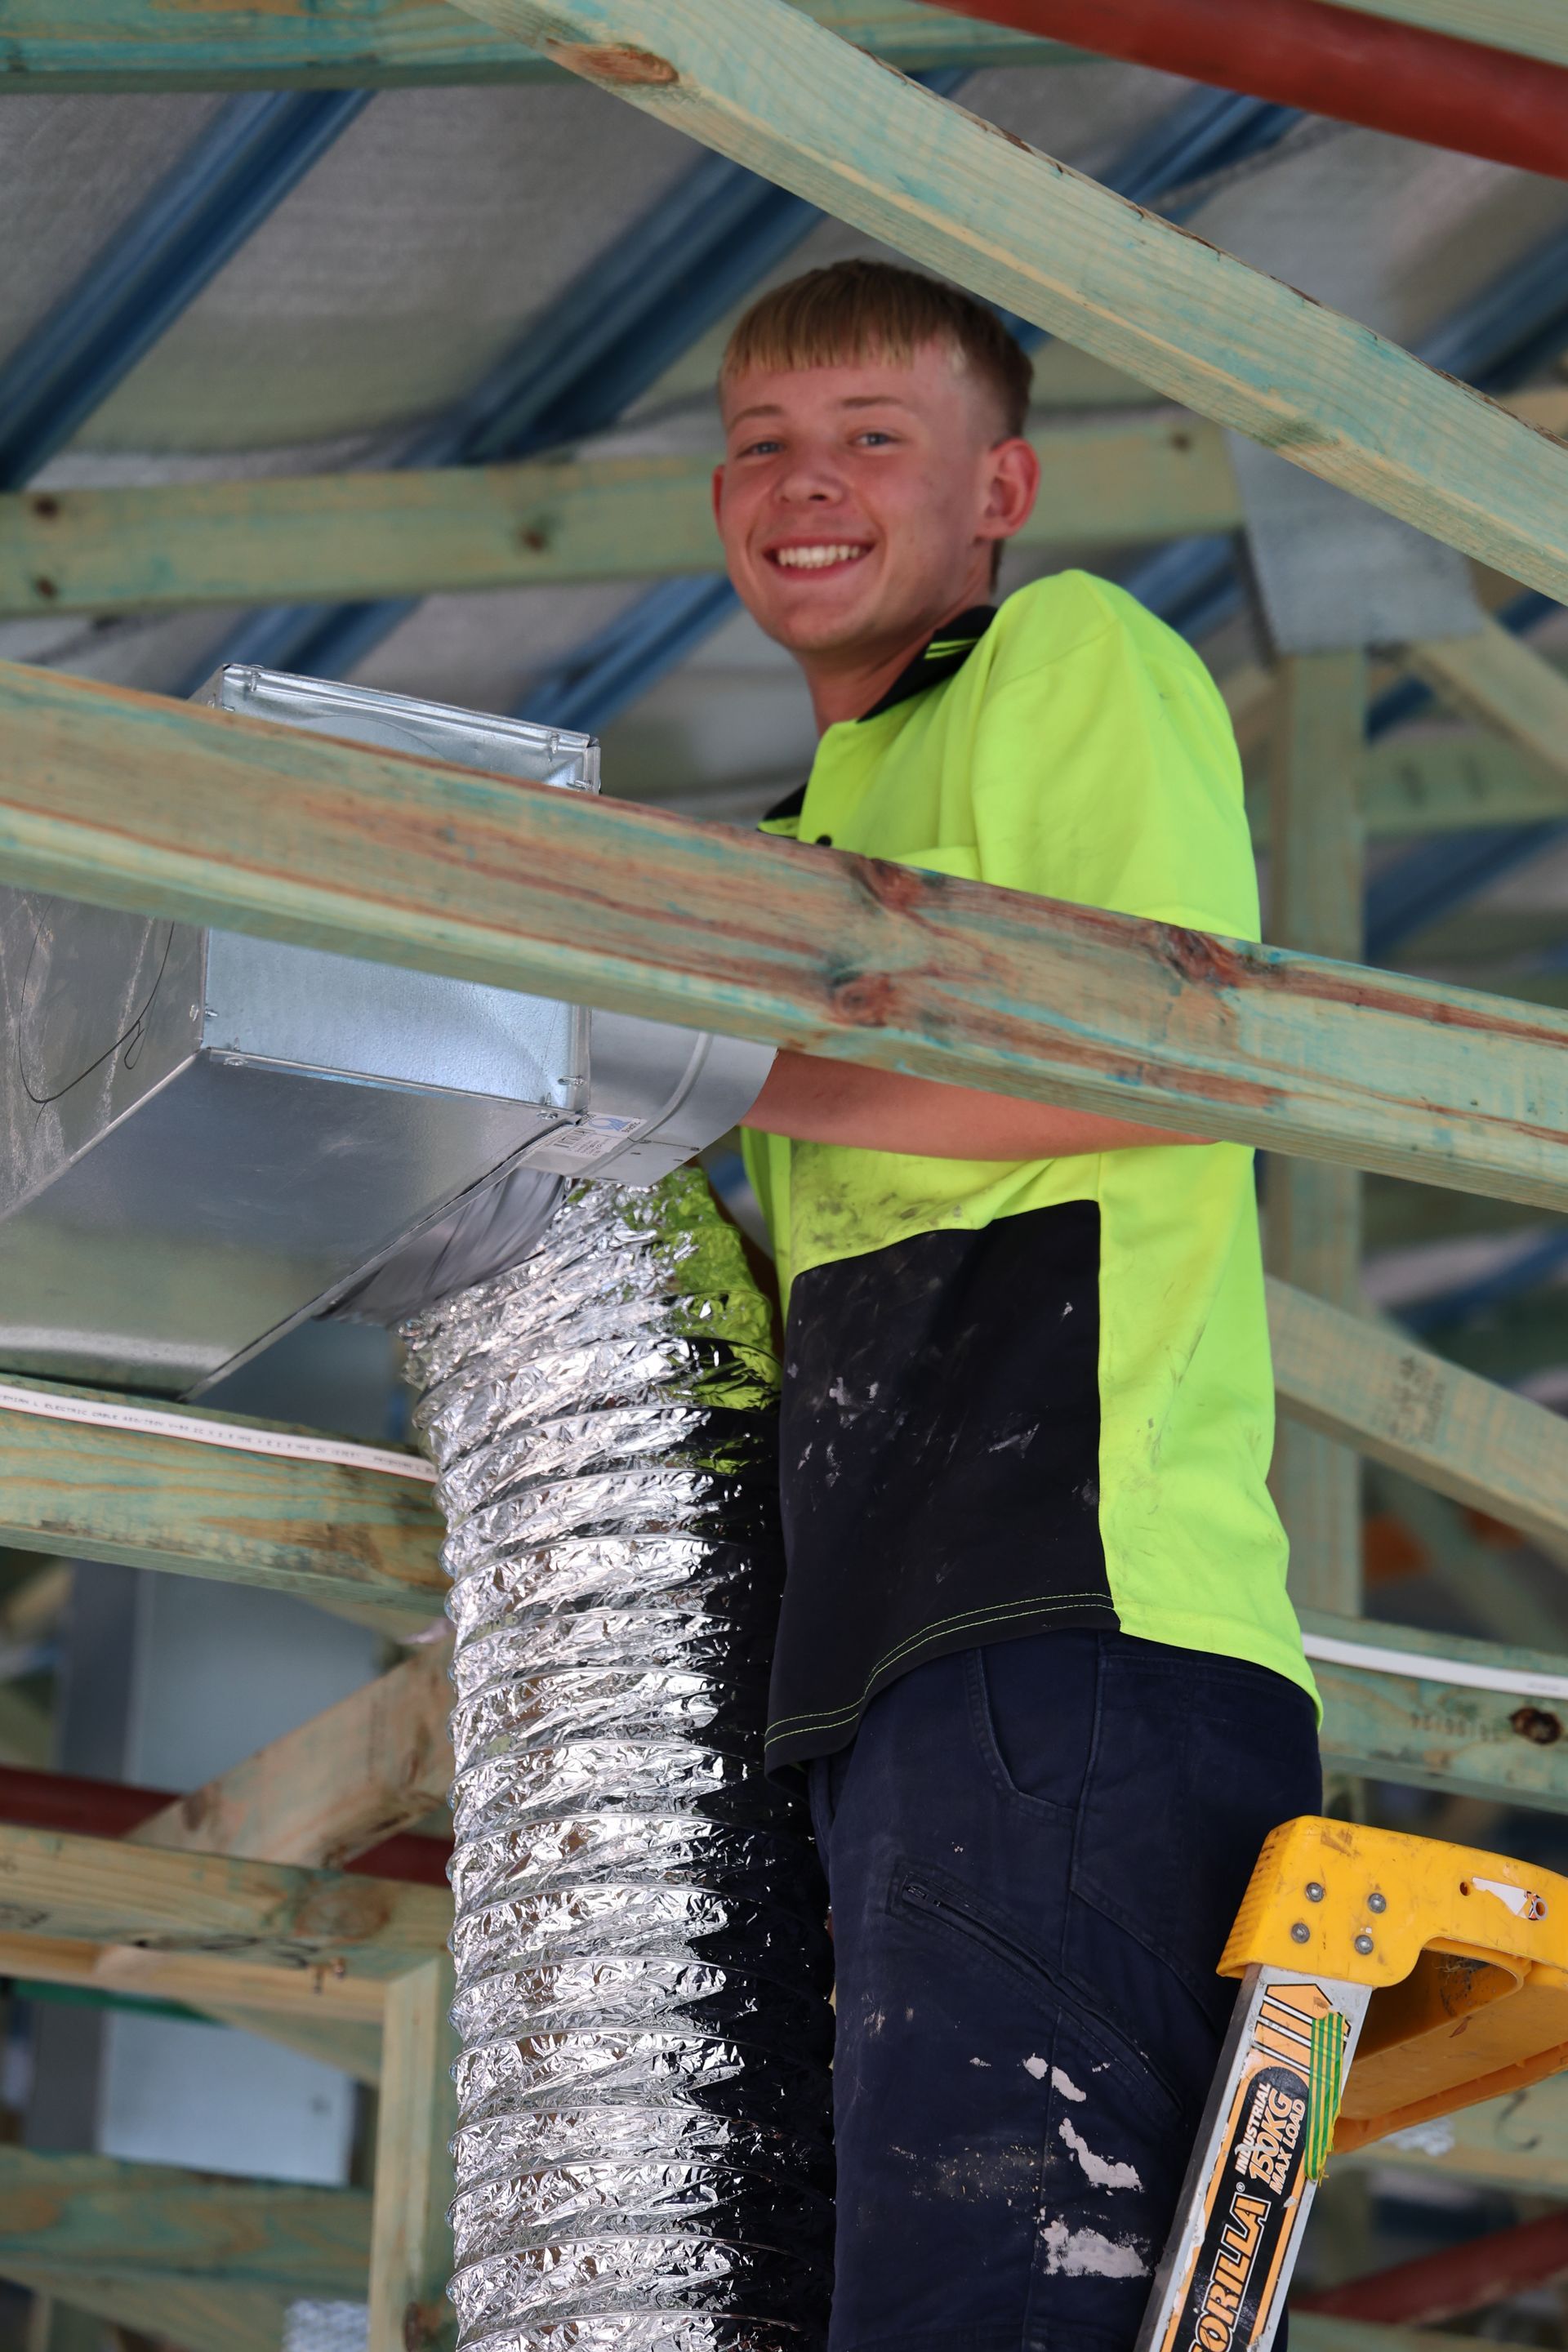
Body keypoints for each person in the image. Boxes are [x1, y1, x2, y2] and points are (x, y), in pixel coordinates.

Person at [712, 257, 1322, 2352]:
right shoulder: (812, 828)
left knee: (982, 2300)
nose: (808, 483)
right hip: (909, 1660)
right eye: (763, 446)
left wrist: (696, 1064)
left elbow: (1144, 1060)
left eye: (876, 437)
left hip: (1070, 1622)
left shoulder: (1060, 654)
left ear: (1004, 489)